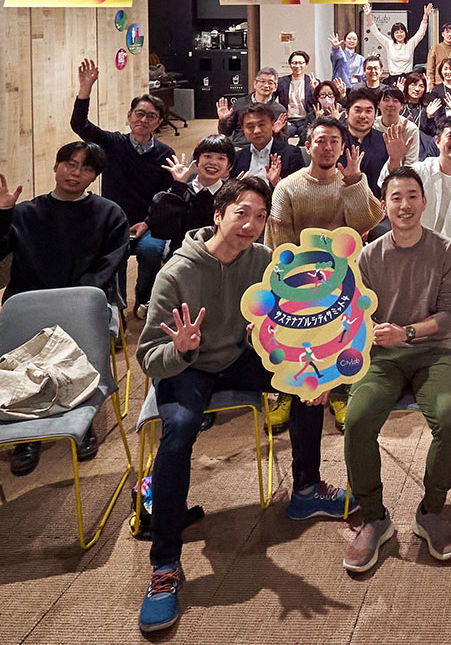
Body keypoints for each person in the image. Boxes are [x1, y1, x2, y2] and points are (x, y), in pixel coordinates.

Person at [134, 178, 350, 633]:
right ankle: (165, 566)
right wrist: (182, 348)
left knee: (304, 386)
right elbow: (147, 357)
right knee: (179, 432)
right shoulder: (176, 273)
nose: (250, 224)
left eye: (258, 216)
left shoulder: (264, 262)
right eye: (241, 213)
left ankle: (306, 489)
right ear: (218, 215)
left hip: (238, 356)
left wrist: (314, 369)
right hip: (187, 367)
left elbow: (289, 323)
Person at [0, 142, 126, 475]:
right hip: (30, 306)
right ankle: (27, 435)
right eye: (70, 163)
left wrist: (72, 302)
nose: (75, 172)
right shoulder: (26, 213)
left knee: (82, 353)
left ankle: (79, 422)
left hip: (81, 304)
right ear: (56, 167)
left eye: (85, 168)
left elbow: (107, 267)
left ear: (93, 177)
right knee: (24, 359)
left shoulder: (109, 213)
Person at [341, 166, 451, 572]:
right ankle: (374, 517)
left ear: (424, 202)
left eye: (412, 196)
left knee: (450, 417)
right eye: (396, 197)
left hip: (437, 351)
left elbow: (450, 315)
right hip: (383, 357)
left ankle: (431, 511)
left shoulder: (447, 250)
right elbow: (353, 316)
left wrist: (408, 332)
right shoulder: (369, 255)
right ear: (384, 205)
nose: (404, 205)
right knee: (358, 419)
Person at [268, 115, 386, 431]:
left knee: (349, 326)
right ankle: (286, 392)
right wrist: (300, 283)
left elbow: (366, 223)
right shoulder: (287, 187)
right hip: (298, 278)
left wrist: (354, 182)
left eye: (335, 141)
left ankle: (341, 391)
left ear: (343, 147)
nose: (328, 147)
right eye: (321, 140)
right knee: (288, 324)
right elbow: (281, 245)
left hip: (346, 276)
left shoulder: (350, 181)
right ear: (307, 146)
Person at [70, 58, 175, 314]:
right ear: (129, 116)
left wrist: (148, 222)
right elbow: (79, 125)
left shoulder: (166, 154)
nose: (144, 119)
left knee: (151, 251)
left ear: (159, 122)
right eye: (139, 113)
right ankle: (116, 307)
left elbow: (168, 198)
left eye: (151, 116)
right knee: (112, 258)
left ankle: (145, 299)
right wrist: (85, 89)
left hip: (149, 224)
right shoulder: (112, 144)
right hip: (115, 223)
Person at [379, 115, 451, 332]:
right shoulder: (420, 171)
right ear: (438, 141)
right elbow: (389, 187)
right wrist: (394, 160)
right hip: (411, 260)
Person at [148, 135, 235, 253]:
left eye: (221, 158)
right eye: (207, 156)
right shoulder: (180, 192)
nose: (213, 163)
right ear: (196, 160)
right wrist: (178, 186)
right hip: (182, 255)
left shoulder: (230, 195)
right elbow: (162, 230)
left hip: (220, 257)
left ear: (228, 166)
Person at [217, 67, 288, 149]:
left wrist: (276, 133)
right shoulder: (240, 104)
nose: (266, 85)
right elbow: (226, 132)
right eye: (262, 81)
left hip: (266, 149)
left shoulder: (279, 110)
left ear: (275, 87)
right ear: (255, 84)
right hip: (241, 147)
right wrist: (223, 120)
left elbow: (284, 142)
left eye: (270, 82)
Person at [233, 102, 303, 185]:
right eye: (250, 126)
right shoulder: (237, 157)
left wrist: (277, 183)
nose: (256, 131)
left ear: (272, 124)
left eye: (262, 125)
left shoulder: (291, 154)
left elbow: (300, 190)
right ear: (243, 129)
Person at [365, 2, 432, 76]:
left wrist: (425, 15)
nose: (399, 34)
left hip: (407, 77)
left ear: (405, 33)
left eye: (401, 32)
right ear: (393, 34)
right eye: (396, 32)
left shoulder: (410, 44)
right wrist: (368, 16)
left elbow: (421, 33)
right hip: (393, 77)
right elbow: (376, 33)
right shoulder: (389, 44)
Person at [277, 51, 317, 137]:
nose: (297, 66)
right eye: (294, 63)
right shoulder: (282, 82)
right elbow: (271, 97)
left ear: (306, 65)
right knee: (281, 135)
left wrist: (315, 90)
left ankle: (298, 150)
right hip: (288, 120)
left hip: (306, 120)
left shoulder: (312, 82)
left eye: (301, 63)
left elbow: (318, 103)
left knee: (307, 135)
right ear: (290, 65)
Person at [425, 22, 451, 88]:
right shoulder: (435, 49)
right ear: (442, 34)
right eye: (447, 32)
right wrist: (430, 85)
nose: (449, 34)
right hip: (438, 85)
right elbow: (430, 69)